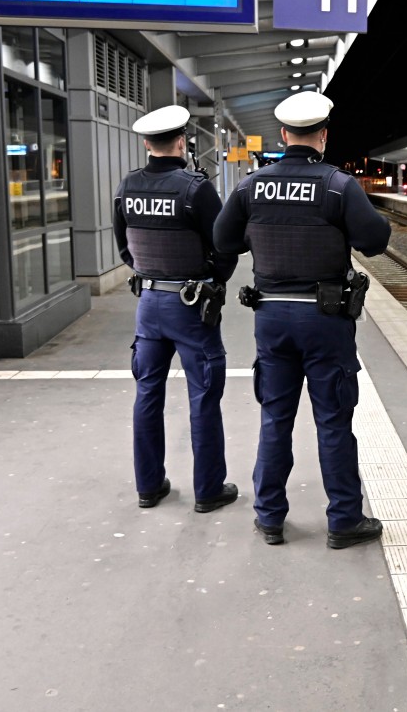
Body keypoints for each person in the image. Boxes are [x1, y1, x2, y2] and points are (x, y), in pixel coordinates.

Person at [213, 90, 391, 549]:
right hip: (324, 320)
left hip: (271, 317)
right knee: (333, 421)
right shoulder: (338, 186)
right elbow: (374, 241)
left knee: (276, 418)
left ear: (283, 135)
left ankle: (270, 517)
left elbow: (222, 240)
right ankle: (344, 521)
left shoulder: (252, 185)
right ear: (324, 136)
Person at [113, 104, 240, 514]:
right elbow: (224, 245)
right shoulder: (194, 188)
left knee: (147, 392)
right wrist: (212, 280)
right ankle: (208, 490)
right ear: (182, 143)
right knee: (203, 395)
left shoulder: (127, 187)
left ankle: (148, 486)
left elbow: (124, 248)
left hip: (149, 305)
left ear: (147, 144)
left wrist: (148, 274)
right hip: (190, 306)